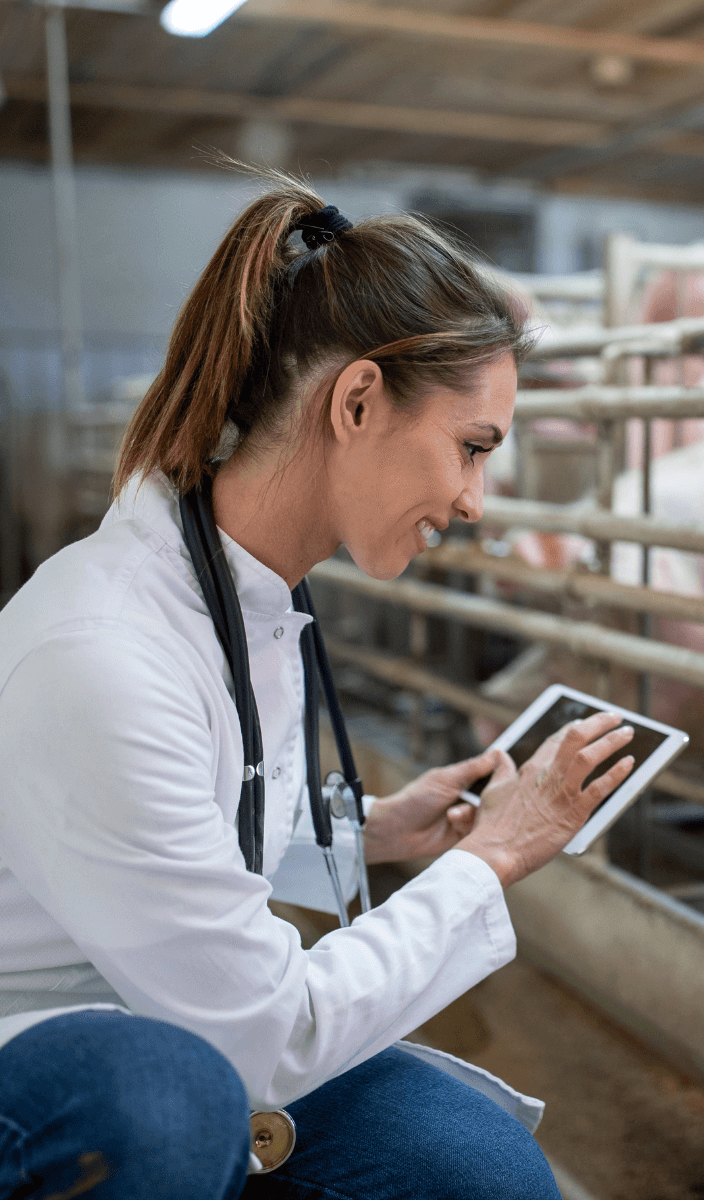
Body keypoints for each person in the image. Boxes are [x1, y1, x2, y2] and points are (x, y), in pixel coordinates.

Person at [0, 170, 637, 1199]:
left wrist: (370, 830)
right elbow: (265, 1032)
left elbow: (179, 836)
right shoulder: (102, 652)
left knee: (483, 1170)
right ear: (355, 401)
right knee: (163, 1098)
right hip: (43, 1053)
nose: (476, 501)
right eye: (470, 448)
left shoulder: (248, 597)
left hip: (167, 1014)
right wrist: (495, 852)